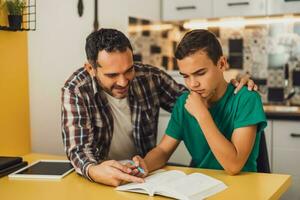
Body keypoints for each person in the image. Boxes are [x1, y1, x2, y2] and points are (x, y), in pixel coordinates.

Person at [61, 28, 258, 186]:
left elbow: (196, 100)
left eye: (129, 70)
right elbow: (78, 149)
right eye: (112, 75)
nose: (123, 81)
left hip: (147, 175)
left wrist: (238, 84)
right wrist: (97, 171)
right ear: (91, 69)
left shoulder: (151, 78)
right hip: (108, 177)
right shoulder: (76, 90)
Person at [134, 29, 267, 176]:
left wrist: (201, 114)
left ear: (222, 64)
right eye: (186, 76)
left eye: (200, 73)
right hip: (200, 186)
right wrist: (145, 164)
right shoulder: (184, 103)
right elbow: (163, 150)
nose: (192, 84)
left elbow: (234, 166)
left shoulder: (246, 98)